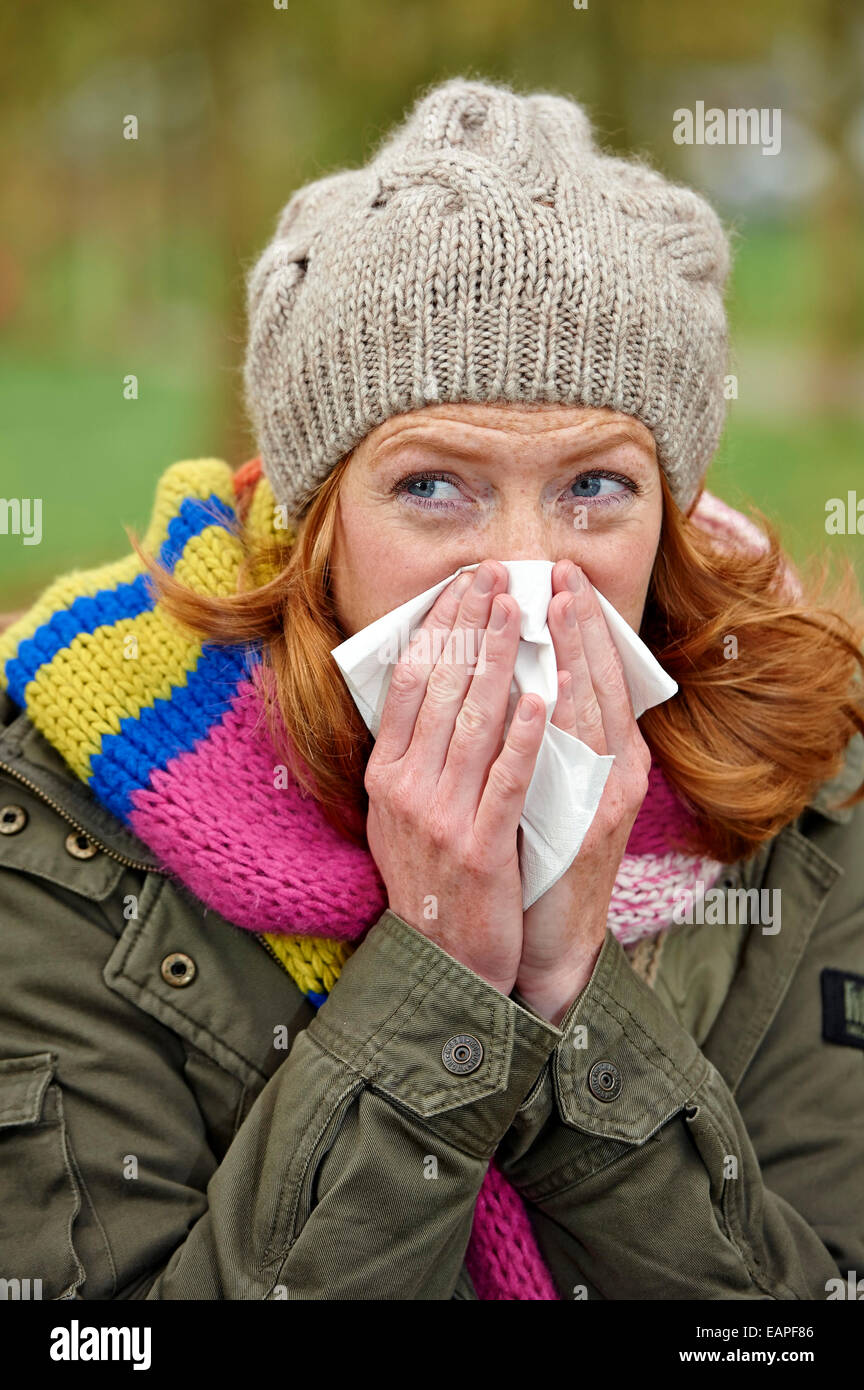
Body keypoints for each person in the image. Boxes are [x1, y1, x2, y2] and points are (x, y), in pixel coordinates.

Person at [1, 75, 863, 1302]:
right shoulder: (64, 814)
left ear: (666, 511)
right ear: (316, 524)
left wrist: (573, 994)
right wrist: (442, 978)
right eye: (433, 487)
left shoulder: (804, 784)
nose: (522, 569)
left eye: (595, 487)